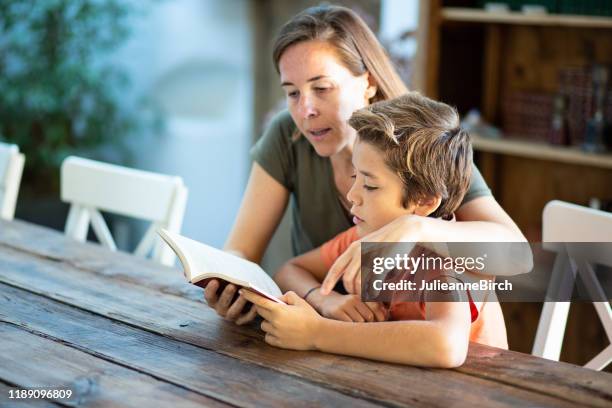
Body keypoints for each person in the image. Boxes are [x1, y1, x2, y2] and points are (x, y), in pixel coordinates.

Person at [204, 5, 526, 325]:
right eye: (292, 93)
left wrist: (416, 227)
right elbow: (242, 252)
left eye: (322, 88)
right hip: (332, 337)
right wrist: (231, 280)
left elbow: (516, 255)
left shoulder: (417, 145)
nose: (305, 110)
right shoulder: (287, 134)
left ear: (368, 82)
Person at [240, 93, 507, 367]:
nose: (353, 195)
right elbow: (290, 270)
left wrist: (316, 332)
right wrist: (325, 300)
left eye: (370, 185)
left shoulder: (445, 258)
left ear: (425, 201)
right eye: (355, 176)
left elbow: (445, 345)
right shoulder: (363, 238)